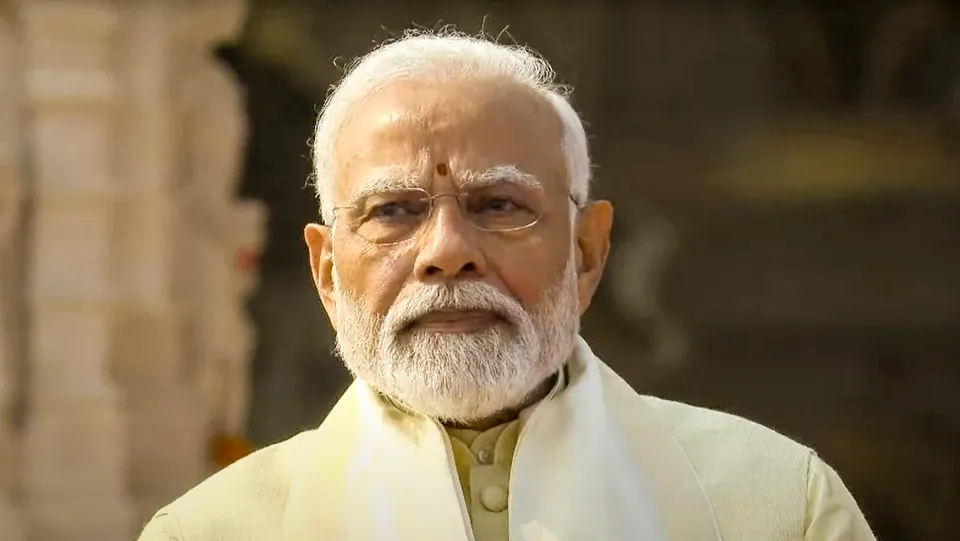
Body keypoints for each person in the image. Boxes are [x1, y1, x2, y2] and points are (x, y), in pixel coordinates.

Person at [137, 30, 876, 541]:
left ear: (586, 252)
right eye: (393, 211)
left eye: (499, 205)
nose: (447, 252)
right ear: (328, 272)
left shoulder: (779, 508)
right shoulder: (211, 531)